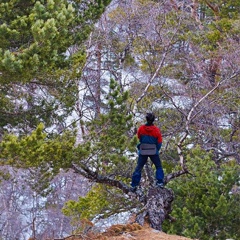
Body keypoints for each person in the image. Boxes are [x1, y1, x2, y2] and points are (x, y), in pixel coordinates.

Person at [130, 113, 164, 192]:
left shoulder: (141, 128)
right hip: (153, 151)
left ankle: (134, 184)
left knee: (138, 168)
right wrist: (156, 150)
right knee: (158, 166)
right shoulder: (156, 130)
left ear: (146, 119)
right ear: (153, 120)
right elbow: (159, 142)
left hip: (143, 150)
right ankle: (160, 182)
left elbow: (139, 138)